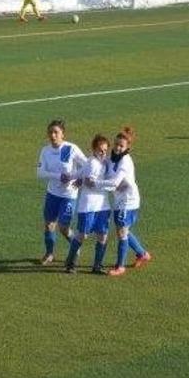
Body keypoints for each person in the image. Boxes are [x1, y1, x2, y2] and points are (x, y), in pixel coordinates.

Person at [88, 126, 152, 277]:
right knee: (123, 230)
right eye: (116, 144)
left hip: (128, 201)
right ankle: (142, 254)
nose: (117, 147)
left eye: (121, 146)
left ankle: (120, 266)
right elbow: (102, 165)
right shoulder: (112, 158)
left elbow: (115, 183)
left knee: (121, 232)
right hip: (119, 200)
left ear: (127, 147)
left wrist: (96, 183)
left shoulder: (125, 162)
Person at [37, 119, 87, 265]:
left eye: (56, 132)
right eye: (50, 132)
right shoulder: (45, 151)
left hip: (68, 195)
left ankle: (75, 245)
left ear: (62, 134)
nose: (53, 135)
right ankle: (49, 253)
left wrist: (81, 179)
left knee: (64, 228)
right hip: (52, 193)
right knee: (49, 225)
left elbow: (87, 165)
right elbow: (40, 173)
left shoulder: (71, 148)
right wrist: (58, 176)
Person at [65, 134, 112, 274]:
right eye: (100, 150)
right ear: (93, 149)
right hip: (89, 206)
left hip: (103, 206)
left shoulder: (104, 162)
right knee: (82, 235)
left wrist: (76, 178)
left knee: (103, 235)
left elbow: (81, 174)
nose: (103, 153)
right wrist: (109, 185)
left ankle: (97, 265)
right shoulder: (92, 163)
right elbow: (90, 183)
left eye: (105, 150)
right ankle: (70, 263)